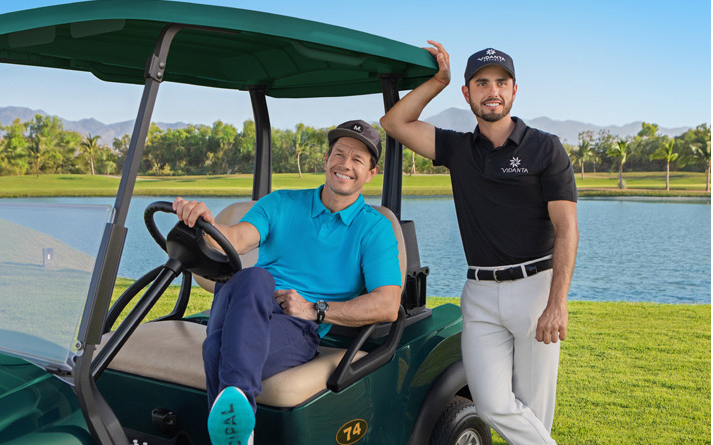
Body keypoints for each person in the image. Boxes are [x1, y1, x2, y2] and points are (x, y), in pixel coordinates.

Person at [380, 43, 578, 444]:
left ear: (514, 90)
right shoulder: (456, 148)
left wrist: (557, 303)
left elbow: (567, 228)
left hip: (535, 289)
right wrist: (438, 80)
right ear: (467, 93)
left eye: (501, 82)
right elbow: (394, 122)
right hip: (480, 293)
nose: (493, 90)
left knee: (535, 414)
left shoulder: (544, 147)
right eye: (481, 82)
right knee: (489, 404)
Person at [172, 120, 402, 445]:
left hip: (296, 326)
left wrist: (314, 309)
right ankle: (240, 421)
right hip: (246, 301)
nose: (344, 165)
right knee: (255, 276)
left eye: (357, 160)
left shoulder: (375, 229)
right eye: (339, 154)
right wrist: (206, 224)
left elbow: (388, 304)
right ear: (326, 160)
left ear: (370, 173)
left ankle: (236, 429)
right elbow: (237, 238)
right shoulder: (281, 202)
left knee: (217, 347)